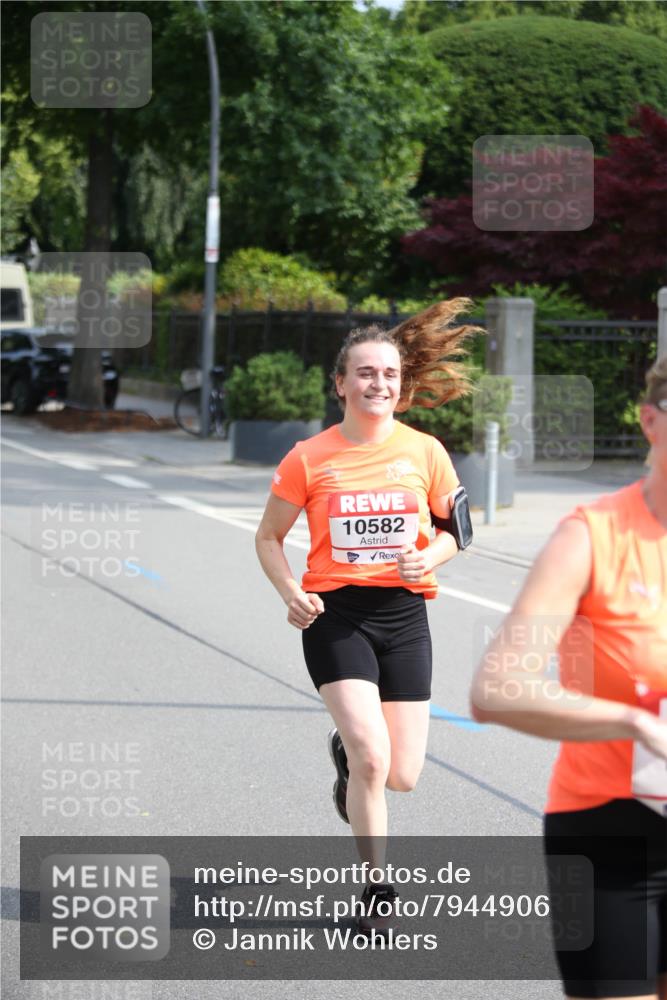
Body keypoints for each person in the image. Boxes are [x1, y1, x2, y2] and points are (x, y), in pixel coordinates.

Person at [255, 299, 479, 932]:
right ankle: (376, 893)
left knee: (402, 775)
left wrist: (429, 557)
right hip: (336, 615)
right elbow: (268, 538)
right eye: (365, 373)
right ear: (341, 384)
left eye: (388, 374)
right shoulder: (309, 457)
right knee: (374, 759)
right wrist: (289, 592)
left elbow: (458, 528)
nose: (378, 384)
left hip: (405, 617)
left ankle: (347, 763)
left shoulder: (425, 451)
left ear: (400, 385)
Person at [470, 356, 667, 999]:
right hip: (612, 834)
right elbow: (499, 688)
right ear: (650, 420)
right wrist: (632, 720)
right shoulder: (590, 538)